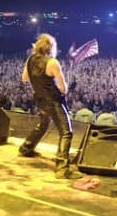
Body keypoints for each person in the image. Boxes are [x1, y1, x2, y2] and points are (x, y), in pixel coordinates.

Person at [19, 33, 77, 179]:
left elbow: (24, 78)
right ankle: (62, 167)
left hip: (40, 100)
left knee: (43, 124)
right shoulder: (52, 63)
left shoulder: (30, 59)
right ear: (51, 48)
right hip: (53, 102)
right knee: (66, 132)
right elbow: (63, 89)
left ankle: (27, 148)